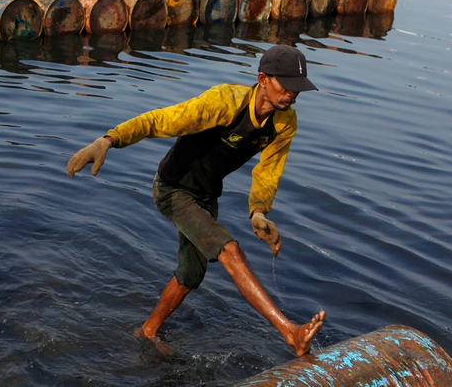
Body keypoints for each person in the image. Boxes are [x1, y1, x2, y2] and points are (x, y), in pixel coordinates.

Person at [66, 45, 325, 356]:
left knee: (192, 274)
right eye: (287, 86)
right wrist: (109, 139)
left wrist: (258, 211)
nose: (292, 95)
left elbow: (269, 171)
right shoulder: (224, 102)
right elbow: (160, 120)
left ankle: (147, 331)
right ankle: (291, 332)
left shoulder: (285, 123)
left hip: (206, 195)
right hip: (173, 189)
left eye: (298, 88)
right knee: (229, 250)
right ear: (263, 79)